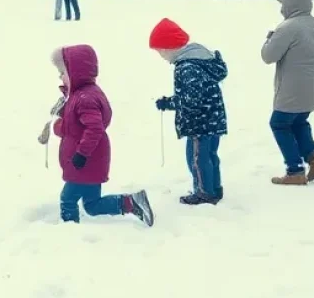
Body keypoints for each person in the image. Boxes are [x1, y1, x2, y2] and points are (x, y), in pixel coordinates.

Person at [43, 45, 153, 227]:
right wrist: (58, 125)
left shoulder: (86, 98)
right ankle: (131, 202)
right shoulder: (79, 96)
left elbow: (94, 128)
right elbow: (75, 127)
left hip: (85, 160)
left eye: (62, 72)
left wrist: (82, 154)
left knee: (68, 199)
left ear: (75, 73)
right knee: (92, 205)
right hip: (89, 160)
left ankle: (68, 232)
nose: (60, 77)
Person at [151, 18, 228, 206]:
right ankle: (214, 188)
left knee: (197, 159)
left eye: (160, 51)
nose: (161, 56)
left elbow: (191, 99)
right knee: (210, 156)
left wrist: (169, 103)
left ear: (170, 47)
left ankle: (204, 193)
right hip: (213, 119)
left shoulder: (187, 67)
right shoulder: (200, 59)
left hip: (199, 123)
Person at [262, 0, 314, 186]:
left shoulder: (287, 28)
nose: (282, 8)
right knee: (299, 122)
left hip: (292, 87)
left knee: (279, 123)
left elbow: (268, 56)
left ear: (292, 3)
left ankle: (295, 170)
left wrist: (270, 38)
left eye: (283, 4)